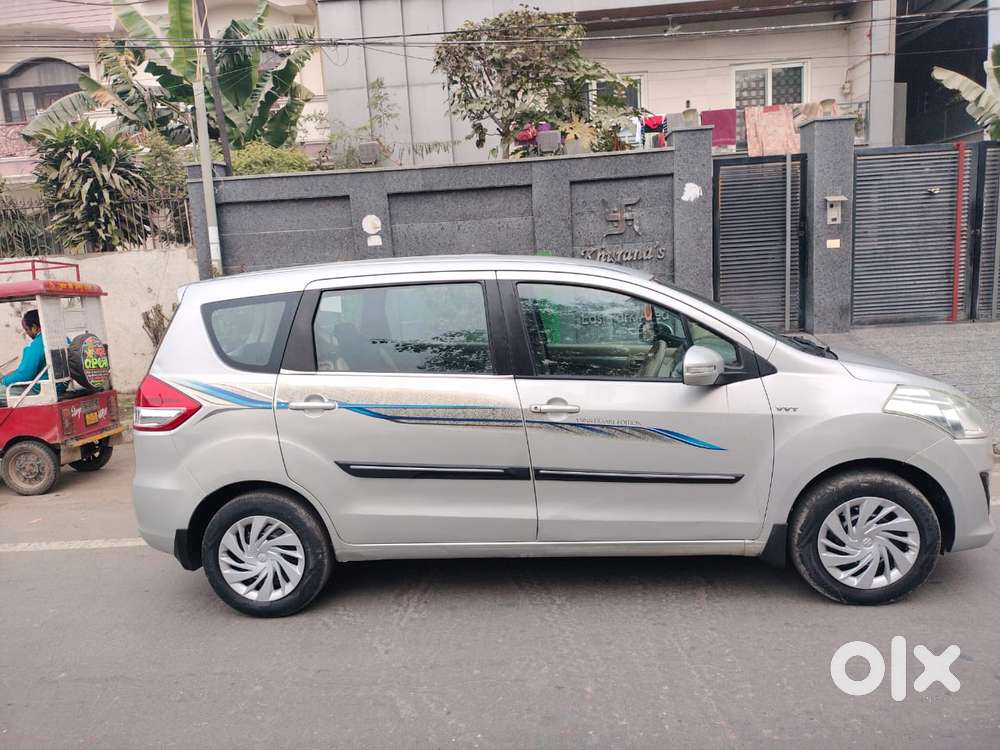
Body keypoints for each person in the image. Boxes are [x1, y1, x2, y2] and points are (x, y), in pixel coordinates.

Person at [2, 310, 49, 394]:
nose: (26, 333)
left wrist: (4, 380)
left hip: (40, 390)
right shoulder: (62, 338)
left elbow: (24, 375)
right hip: (60, 387)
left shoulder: (36, 346)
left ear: (34, 327)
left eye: (26, 329)